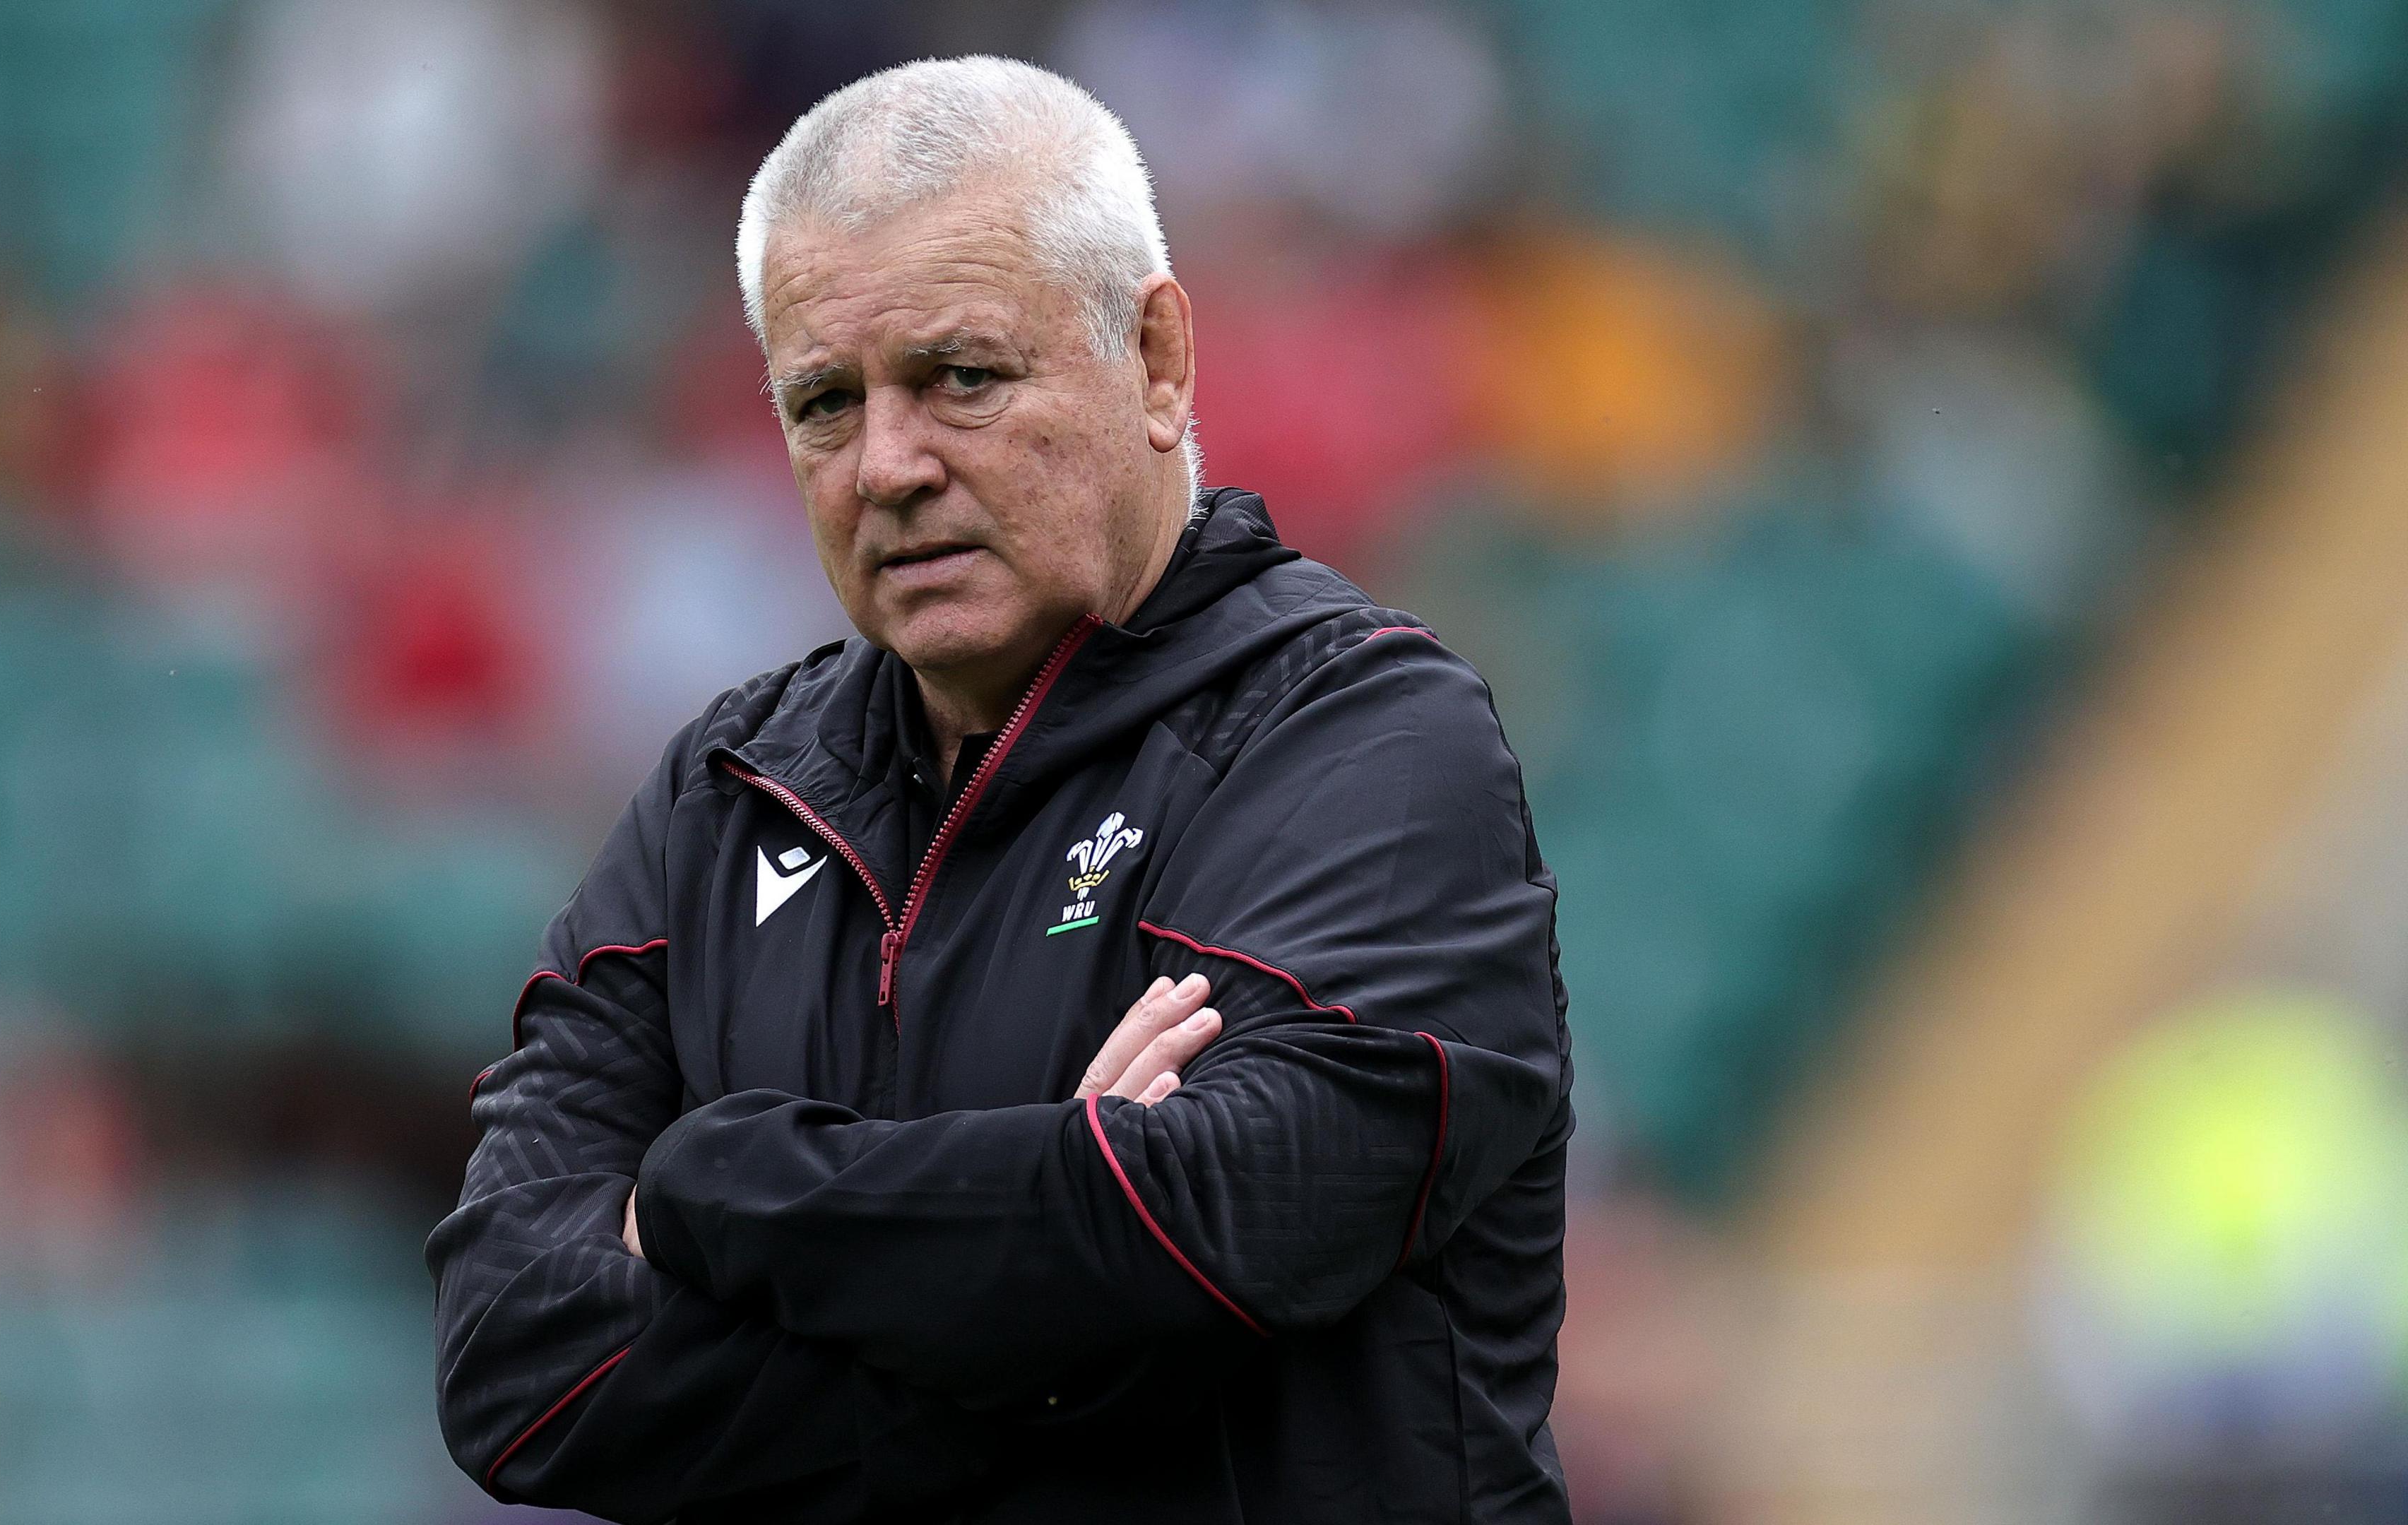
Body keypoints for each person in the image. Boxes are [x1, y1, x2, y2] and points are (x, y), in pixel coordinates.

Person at [427, 56, 1574, 1524]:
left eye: (961, 377)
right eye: (826, 403)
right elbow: (514, 1364)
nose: (889, 465)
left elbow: (1216, 1230)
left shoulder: (1366, 742)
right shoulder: (726, 800)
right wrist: (1043, 1287)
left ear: (1158, 361)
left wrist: (713, 1186)